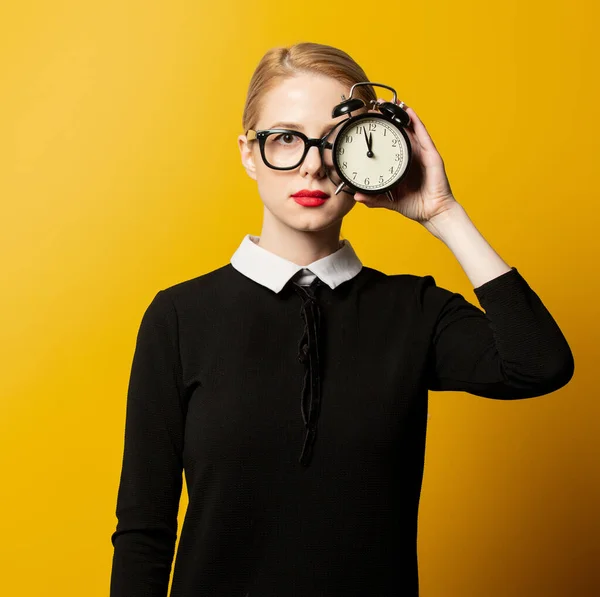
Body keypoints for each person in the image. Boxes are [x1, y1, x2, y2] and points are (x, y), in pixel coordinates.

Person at [109, 42, 574, 597]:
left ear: (373, 152)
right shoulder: (179, 317)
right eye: (285, 137)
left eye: (336, 143)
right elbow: (144, 529)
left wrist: (444, 214)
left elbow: (538, 365)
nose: (311, 164)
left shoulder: (413, 310)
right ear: (249, 152)